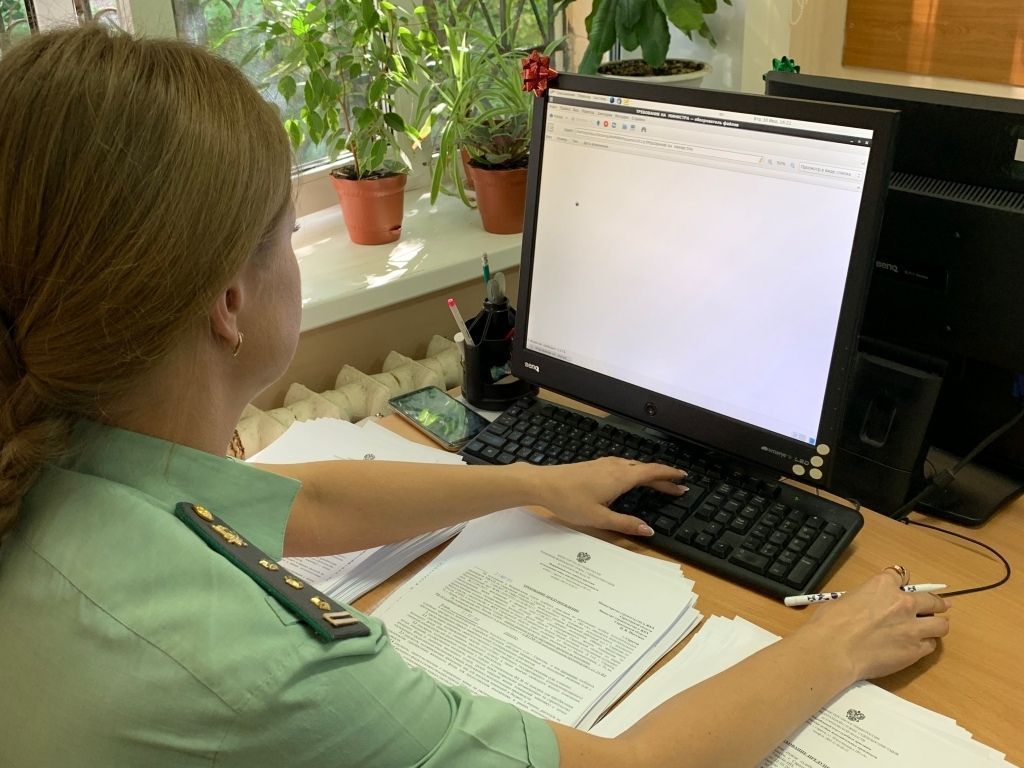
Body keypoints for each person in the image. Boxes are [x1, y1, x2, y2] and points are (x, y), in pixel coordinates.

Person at [0, 25, 950, 768]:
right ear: (229, 303)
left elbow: (304, 502)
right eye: (288, 234)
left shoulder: (56, 453)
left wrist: (533, 484)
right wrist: (835, 647)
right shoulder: (271, 670)